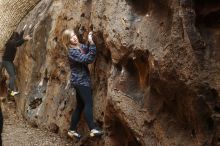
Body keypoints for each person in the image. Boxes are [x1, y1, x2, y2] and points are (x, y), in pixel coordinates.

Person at [62, 29, 103, 139]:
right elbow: (88, 59)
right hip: (81, 81)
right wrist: (93, 44)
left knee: (80, 105)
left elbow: (87, 49)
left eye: (74, 35)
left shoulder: (79, 46)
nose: (74, 37)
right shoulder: (72, 51)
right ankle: (92, 128)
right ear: (67, 41)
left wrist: (90, 40)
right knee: (88, 103)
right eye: (71, 37)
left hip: (80, 81)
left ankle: (72, 130)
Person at [2, 28, 31, 96]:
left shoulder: (11, 42)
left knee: (13, 75)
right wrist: (25, 39)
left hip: (7, 61)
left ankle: (10, 89)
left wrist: (22, 31)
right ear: (13, 38)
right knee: (13, 75)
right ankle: (11, 91)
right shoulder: (10, 42)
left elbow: (18, 41)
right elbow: (17, 43)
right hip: (7, 62)